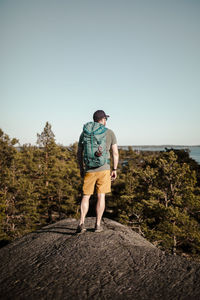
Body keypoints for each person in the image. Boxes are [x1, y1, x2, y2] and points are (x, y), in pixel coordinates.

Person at [76, 110, 119, 233]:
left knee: (86, 196)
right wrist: (114, 169)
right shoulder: (109, 133)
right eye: (106, 119)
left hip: (89, 169)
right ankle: (97, 225)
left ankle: (81, 223)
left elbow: (79, 153)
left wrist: (81, 168)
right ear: (103, 120)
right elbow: (115, 153)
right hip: (104, 169)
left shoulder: (85, 133)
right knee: (101, 196)